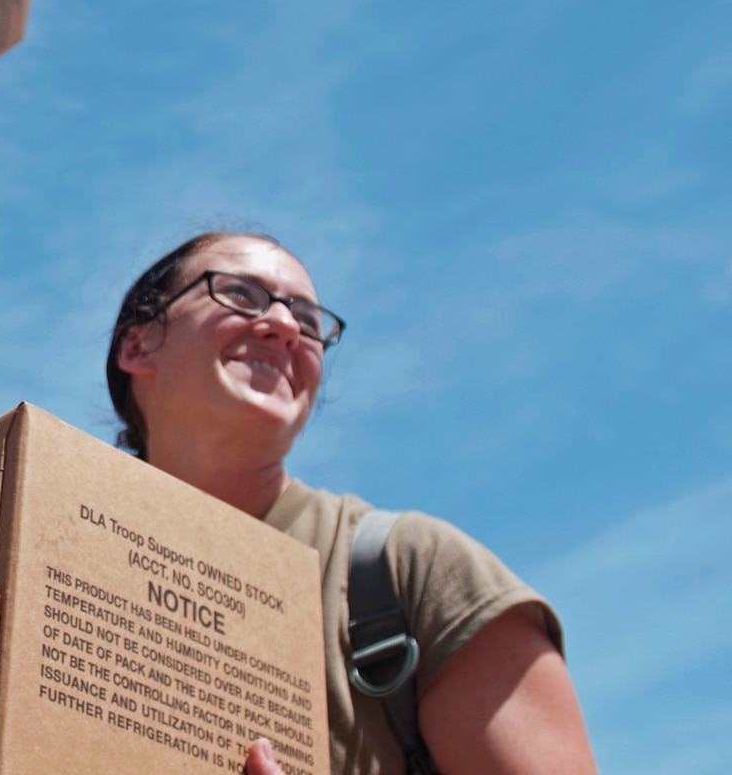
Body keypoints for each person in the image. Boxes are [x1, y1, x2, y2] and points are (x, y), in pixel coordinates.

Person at [104, 232, 597, 775]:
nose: (286, 326)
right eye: (241, 295)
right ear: (138, 347)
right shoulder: (59, 563)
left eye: (309, 322)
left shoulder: (410, 570)